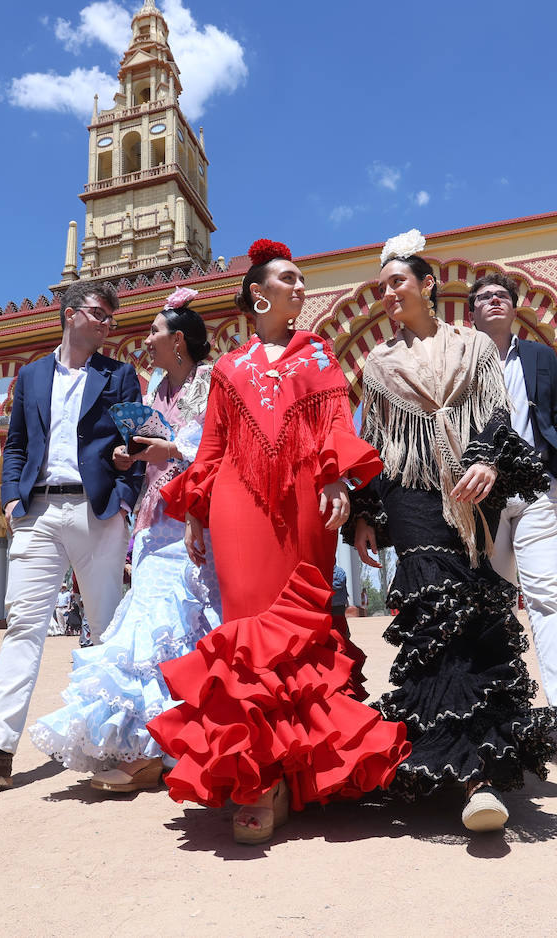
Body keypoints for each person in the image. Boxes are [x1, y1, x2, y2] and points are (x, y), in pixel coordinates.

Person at [146, 239, 408, 845]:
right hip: (238, 504)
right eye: (289, 278)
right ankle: (262, 779)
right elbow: (211, 446)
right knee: (248, 626)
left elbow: (339, 423)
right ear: (259, 292)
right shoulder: (229, 369)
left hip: (305, 499)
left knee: (304, 626)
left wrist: (340, 475)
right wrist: (194, 514)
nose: (301, 286)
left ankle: (309, 772)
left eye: (301, 278)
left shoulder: (318, 354)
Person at [351, 230, 556, 832]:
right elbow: (373, 442)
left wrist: (489, 460)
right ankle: (474, 779)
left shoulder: (473, 348)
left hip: (472, 492)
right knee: (434, 610)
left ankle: (470, 756)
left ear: (427, 284)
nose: (388, 294)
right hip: (410, 495)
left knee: (473, 613)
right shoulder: (379, 364)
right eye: (381, 287)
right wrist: (365, 512)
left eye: (397, 283)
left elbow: (495, 412)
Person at [0, 281, 142, 786]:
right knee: (23, 625)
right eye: (99, 313)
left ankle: (116, 744)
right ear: (70, 314)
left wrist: (123, 499)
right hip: (37, 511)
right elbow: (16, 445)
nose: (107, 324)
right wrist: (11, 497)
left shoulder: (119, 376)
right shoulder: (30, 377)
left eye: (112, 318)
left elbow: (137, 442)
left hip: (97, 512)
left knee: (106, 629)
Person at [30, 288, 223, 793]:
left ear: (179, 340)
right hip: (155, 516)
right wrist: (133, 455)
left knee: (179, 626)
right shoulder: (156, 388)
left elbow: (216, 446)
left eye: (155, 332)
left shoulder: (213, 382)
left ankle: (167, 747)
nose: (147, 339)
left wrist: (169, 448)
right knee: (151, 630)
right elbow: (156, 446)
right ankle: (155, 746)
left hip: (196, 516)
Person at [471, 270, 557, 773]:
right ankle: (501, 712)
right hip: (483, 497)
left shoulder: (539, 356)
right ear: (472, 312)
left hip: (538, 488)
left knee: (548, 597)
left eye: (501, 296)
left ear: (515, 307)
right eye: (484, 297)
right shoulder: (461, 358)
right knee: (491, 602)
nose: (493, 302)